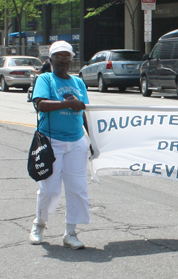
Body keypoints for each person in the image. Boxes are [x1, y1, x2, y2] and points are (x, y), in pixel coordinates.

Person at [29, 40, 91, 249]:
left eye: (67, 56)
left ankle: (70, 233)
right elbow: (41, 105)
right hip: (51, 142)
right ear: (52, 59)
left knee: (78, 189)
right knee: (50, 190)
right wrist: (68, 103)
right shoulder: (46, 78)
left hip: (76, 142)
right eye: (59, 56)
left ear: (71, 59)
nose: (63, 60)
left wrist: (93, 140)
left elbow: (84, 113)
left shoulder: (78, 82)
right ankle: (40, 223)